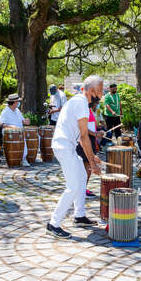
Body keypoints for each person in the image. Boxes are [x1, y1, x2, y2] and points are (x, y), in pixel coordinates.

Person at [47, 75, 103, 239]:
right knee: (72, 187)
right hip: (64, 147)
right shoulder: (81, 104)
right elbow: (84, 137)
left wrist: (92, 157)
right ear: (91, 91)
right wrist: (92, 163)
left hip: (67, 146)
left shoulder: (79, 102)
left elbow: (80, 138)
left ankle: (79, 216)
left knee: (81, 177)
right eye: (100, 92)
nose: (101, 96)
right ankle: (53, 224)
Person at [76, 101, 105, 197]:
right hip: (85, 140)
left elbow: (90, 126)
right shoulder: (85, 111)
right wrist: (95, 134)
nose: (97, 104)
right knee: (87, 167)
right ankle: (82, 189)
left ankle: (82, 188)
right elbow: (83, 128)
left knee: (86, 167)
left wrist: (97, 130)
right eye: (96, 103)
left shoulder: (89, 111)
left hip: (91, 139)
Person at [0, 94, 31, 167]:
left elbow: (23, 121)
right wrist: (11, 127)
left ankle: (23, 159)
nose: (19, 103)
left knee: (23, 140)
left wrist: (26, 121)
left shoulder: (17, 110)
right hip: (9, 133)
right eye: (18, 101)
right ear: (14, 102)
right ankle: (14, 159)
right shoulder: (5, 111)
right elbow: (0, 124)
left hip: (19, 132)